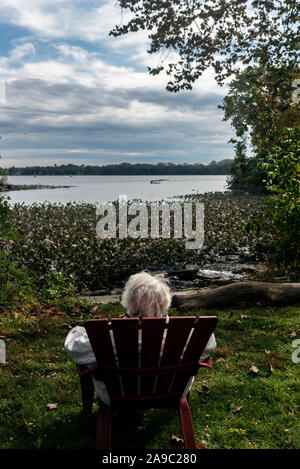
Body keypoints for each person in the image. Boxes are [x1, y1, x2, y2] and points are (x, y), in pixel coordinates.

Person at [65, 271, 216, 405]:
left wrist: (77, 332)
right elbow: (208, 345)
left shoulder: (107, 336)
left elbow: (75, 349)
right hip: (172, 391)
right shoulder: (187, 334)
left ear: (128, 300)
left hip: (118, 395)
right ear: (165, 301)